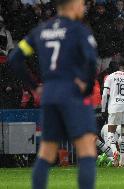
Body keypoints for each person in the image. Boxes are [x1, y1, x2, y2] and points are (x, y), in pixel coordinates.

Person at [8, 0, 98, 188]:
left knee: (46, 152)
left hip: (49, 94)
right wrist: (87, 87)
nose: (83, 7)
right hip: (72, 93)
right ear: (73, 4)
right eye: (81, 3)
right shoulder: (78, 30)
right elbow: (91, 61)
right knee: (86, 149)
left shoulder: (41, 30)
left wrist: (34, 86)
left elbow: (15, 58)